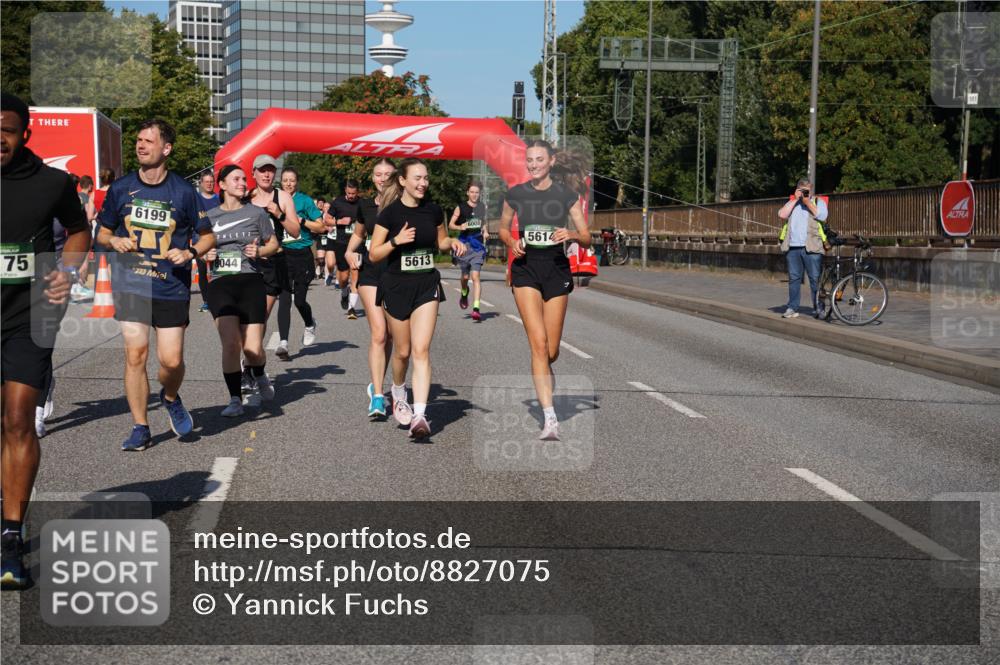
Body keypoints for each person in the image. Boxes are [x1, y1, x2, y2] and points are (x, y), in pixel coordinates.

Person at [2, 92, 91, 589]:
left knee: (18, 417)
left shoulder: (51, 182)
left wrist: (67, 270)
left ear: (24, 135)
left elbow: (78, 231)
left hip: (29, 314)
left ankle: (10, 537)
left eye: (8, 129)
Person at [95, 118, 215, 451]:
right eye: (138, 140)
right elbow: (103, 230)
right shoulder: (121, 189)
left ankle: (170, 396)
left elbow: (207, 237)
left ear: (166, 148)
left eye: (149, 140)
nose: (141, 145)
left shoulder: (183, 192)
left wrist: (189, 252)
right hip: (131, 283)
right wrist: (113, 242)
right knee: (136, 353)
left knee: (171, 361)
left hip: (170, 287)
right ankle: (140, 426)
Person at [498, 139, 590, 442]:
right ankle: (550, 419)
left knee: (550, 351)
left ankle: (545, 380)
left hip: (556, 269)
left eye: (539, 159)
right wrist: (512, 243)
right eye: (530, 160)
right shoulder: (516, 194)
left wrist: (572, 233)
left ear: (551, 162)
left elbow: (588, 238)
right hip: (525, 269)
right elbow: (502, 228)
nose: (533, 164)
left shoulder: (566, 195)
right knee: (538, 344)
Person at [368, 158, 466, 439]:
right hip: (396, 285)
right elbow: (374, 254)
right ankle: (398, 390)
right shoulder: (389, 215)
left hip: (426, 284)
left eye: (426, 178)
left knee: (421, 350)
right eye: (417, 178)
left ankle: (420, 416)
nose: (423, 183)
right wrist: (396, 241)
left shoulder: (433, 211)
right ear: (403, 181)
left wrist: (453, 242)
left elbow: (441, 241)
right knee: (402, 351)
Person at [203, 165, 279, 416]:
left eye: (244, 179)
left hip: (250, 281)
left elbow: (274, 244)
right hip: (220, 282)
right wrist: (206, 253)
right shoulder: (209, 216)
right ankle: (235, 398)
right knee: (231, 344)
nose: (242, 182)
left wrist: (260, 252)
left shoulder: (256, 214)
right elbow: (198, 246)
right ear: (222, 185)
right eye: (235, 179)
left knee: (252, 349)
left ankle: (259, 374)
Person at [346, 158, 395, 418]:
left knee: (391, 337)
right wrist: (348, 252)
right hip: (372, 273)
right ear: (373, 178)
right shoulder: (365, 205)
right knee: (378, 333)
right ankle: (377, 396)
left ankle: (380, 383)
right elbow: (359, 233)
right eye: (378, 173)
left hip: (399, 274)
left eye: (388, 173)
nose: (383, 177)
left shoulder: (404, 204)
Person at [246, 155, 304, 359]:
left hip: (272, 263)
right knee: (245, 318)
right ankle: (250, 360)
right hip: (248, 262)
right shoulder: (246, 198)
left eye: (270, 170)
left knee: (260, 316)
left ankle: (249, 362)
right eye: (262, 170)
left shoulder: (283, 197)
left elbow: (296, 231)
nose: (267, 174)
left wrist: (279, 214)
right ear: (253, 173)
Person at [275, 166, 325, 359]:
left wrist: (302, 221)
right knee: (285, 299)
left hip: (302, 254)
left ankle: (310, 323)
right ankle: (283, 344)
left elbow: (321, 227)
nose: (288, 183)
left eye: (292, 180)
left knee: (300, 300)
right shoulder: (276, 199)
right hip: (283, 254)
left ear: (297, 182)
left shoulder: (304, 201)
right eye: (285, 180)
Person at [777, 177, 829, 319]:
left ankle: (819, 307)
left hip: (811, 247)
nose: (805, 192)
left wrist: (807, 202)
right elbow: (781, 214)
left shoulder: (818, 202)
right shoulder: (793, 203)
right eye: (802, 190)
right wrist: (795, 199)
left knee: (814, 279)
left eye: (807, 189)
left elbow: (823, 216)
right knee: (794, 279)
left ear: (811, 188)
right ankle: (792, 307)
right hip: (793, 247)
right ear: (798, 189)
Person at [449, 179, 490, 321]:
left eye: (477, 192)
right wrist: (461, 227)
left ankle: (476, 308)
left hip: (478, 246)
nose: (474, 195)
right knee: (465, 277)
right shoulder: (460, 207)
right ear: (467, 193)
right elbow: (451, 225)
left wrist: (485, 232)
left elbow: (483, 223)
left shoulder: (482, 207)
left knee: (475, 277)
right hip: (464, 246)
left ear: (480, 194)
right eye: (472, 192)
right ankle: (464, 292)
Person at [328, 180, 362, 318]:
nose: (351, 196)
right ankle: (344, 293)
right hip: (341, 244)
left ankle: (352, 308)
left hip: (357, 245)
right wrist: (339, 222)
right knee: (343, 278)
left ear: (357, 192)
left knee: (355, 275)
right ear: (345, 190)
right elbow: (326, 219)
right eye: (348, 193)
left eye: (353, 193)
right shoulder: (338, 203)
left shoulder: (362, 203)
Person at [194, 171, 220, 313]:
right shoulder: (196, 199)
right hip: (200, 239)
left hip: (217, 237)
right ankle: (206, 301)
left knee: (218, 270)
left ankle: (219, 298)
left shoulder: (219, 199)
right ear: (201, 183)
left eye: (211, 182)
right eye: (207, 182)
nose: (209, 184)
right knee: (203, 272)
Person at [313, 196, 327, 279]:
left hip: (325, 236)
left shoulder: (328, 213)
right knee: (316, 256)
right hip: (315, 237)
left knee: (324, 257)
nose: (321, 204)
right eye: (319, 203)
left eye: (322, 203)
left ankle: (322, 272)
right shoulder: (314, 213)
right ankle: (316, 272)